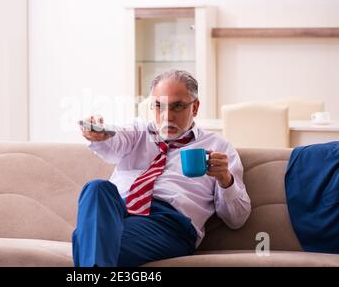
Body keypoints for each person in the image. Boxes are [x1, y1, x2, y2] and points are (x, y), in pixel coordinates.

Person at [72, 69, 251, 267]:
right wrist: (98, 133)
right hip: (117, 212)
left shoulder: (218, 147)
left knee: (90, 241)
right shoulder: (138, 132)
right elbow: (113, 140)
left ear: (195, 107)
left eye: (178, 106)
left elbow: (237, 219)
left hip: (169, 224)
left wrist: (226, 179)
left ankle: (89, 247)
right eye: (159, 106)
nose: (167, 116)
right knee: (96, 188)